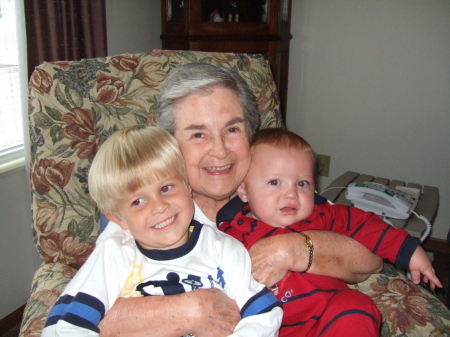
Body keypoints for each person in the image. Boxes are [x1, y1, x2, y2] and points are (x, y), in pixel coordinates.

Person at [98, 63, 384, 337]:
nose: (220, 151)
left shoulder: (278, 191)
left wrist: (296, 248)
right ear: (170, 145)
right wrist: (193, 309)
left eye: (232, 129)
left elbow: (370, 263)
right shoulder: (148, 213)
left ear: (250, 133)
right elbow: (92, 319)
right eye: (198, 134)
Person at [41, 125, 283, 337]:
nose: (159, 206)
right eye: (137, 201)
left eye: (166, 187)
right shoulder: (113, 256)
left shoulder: (223, 249)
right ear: (117, 218)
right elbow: (62, 326)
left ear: (188, 188)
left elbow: (265, 313)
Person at [218, 127, 443, 336]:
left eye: (302, 183)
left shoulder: (322, 214)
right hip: (273, 327)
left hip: (331, 319)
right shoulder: (232, 234)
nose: (291, 194)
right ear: (244, 191)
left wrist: (409, 251)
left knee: (357, 307)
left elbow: (366, 225)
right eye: (275, 182)